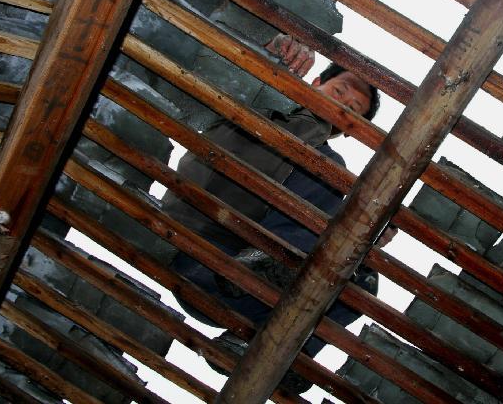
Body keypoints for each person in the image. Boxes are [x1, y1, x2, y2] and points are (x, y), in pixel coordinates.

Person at [161, 33, 393, 393]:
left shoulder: (333, 167)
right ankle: (260, 262)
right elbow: (228, 60)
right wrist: (270, 45)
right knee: (334, 183)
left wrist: (370, 227)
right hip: (197, 244)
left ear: (352, 130)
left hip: (242, 301)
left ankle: (259, 347)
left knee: (364, 278)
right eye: (343, 89)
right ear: (316, 82)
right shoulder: (266, 98)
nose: (346, 102)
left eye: (356, 109)